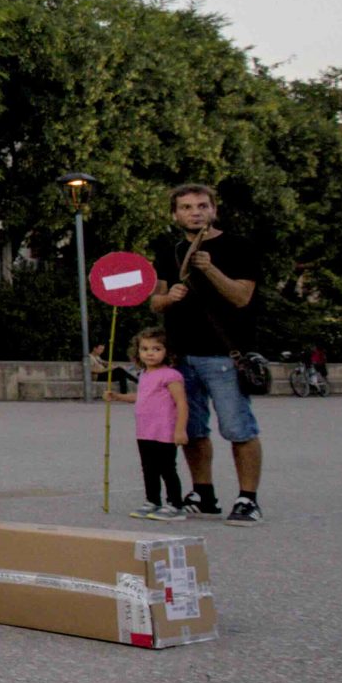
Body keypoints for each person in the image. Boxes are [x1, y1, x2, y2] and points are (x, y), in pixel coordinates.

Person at [148, 183, 264, 522]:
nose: (194, 212)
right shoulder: (170, 252)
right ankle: (204, 492)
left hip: (224, 355)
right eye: (186, 207)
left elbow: (242, 297)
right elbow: (156, 301)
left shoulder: (238, 247)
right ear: (175, 214)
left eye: (201, 206)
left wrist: (210, 268)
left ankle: (248, 499)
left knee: (238, 428)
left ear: (213, 210)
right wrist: (170, 299)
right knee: (192, 429)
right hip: (181, 356)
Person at [112, 327, 188, 520]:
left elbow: (181, 403)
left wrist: (180, 430)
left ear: (167, 352)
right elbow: (141, 397)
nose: (150, 353)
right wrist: (118, 397)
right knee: (149, 467)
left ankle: (175, 504)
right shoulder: (144, 374)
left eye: (156, 349)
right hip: (145, 431)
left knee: (167, 468)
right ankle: (152, 500)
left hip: (164, 431)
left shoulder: (170, 375)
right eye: (145, 349)